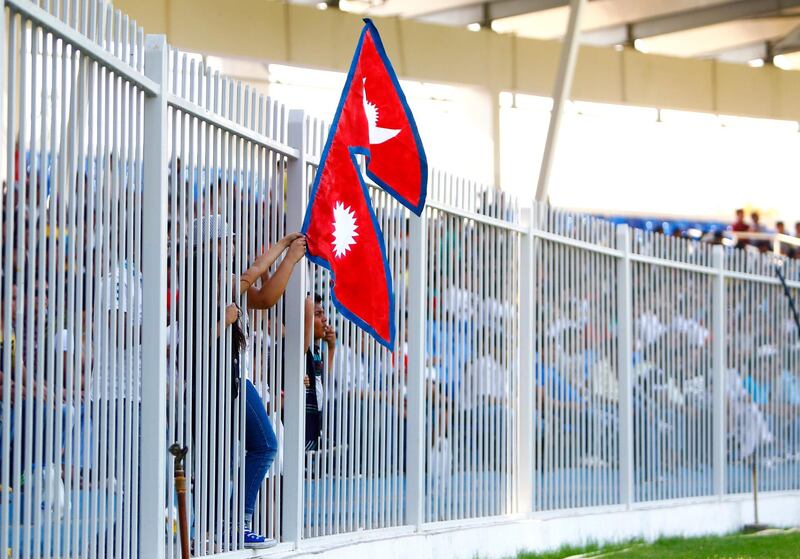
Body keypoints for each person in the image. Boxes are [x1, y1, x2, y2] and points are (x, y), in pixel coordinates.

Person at [192, 215, 306, 549]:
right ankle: (230, 525)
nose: (230, 245)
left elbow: (265, 295)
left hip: (231, 378)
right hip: (221, 380)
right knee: (260, 446)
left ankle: (222, 526)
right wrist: (284, 248)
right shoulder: (205, 281)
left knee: (229, 454)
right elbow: (250, 276)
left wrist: (288, 254)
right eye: (225, 240)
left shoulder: (218, 279)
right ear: (210, 245)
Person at [303, 294, 336, 451]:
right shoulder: (300, 349)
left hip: (316, 415)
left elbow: (322, 382)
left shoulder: (316, 351)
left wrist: (331, 348)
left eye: (323, 313)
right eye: (317, 314)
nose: (325, 319)